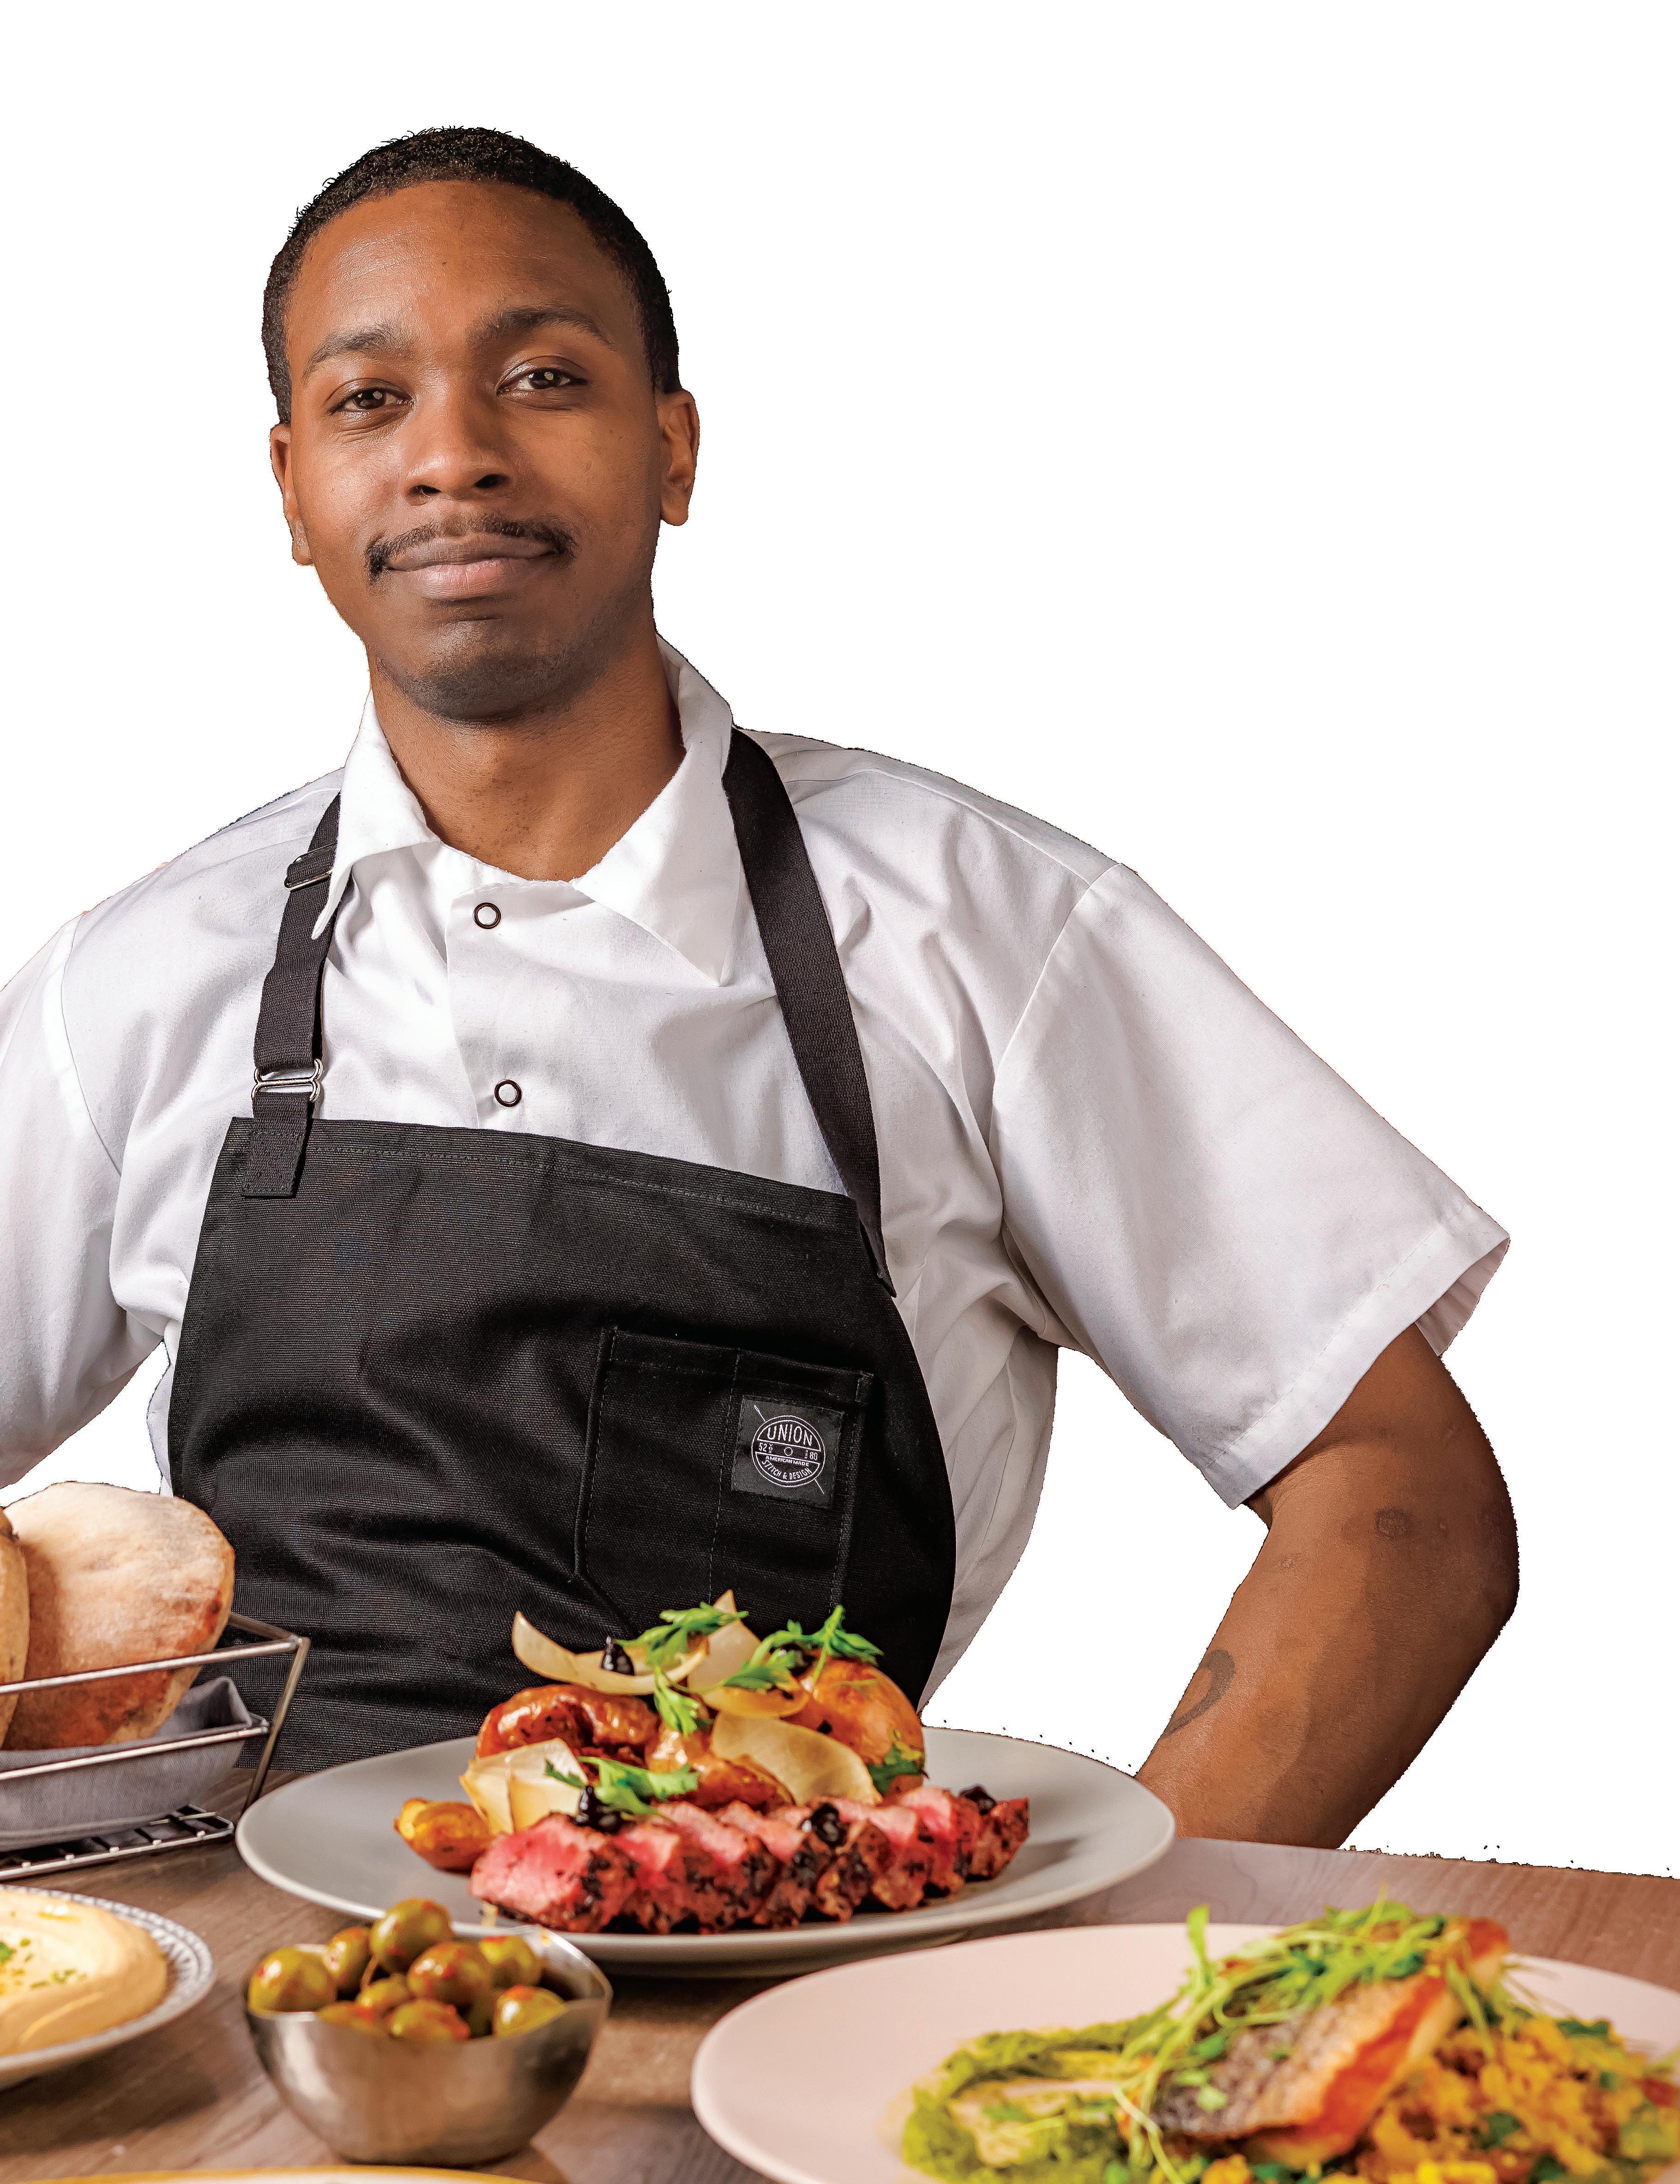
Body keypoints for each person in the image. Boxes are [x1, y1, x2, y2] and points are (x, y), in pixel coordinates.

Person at [0, 127, 1515, 1843]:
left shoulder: (979, 929)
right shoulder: (146, 980)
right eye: (369, 401)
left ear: (672, 447)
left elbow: (1404, 1499)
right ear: (292, 489)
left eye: (542, 377)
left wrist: (1095, 1952)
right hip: (235, 1973)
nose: (454, 455)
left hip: (780, 1971)